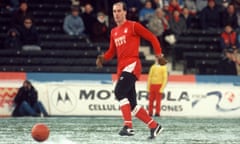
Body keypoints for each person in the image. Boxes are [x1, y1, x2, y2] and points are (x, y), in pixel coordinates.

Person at [96, 1, 167, 139]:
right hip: (122, 68)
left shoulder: (133, 26)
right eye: (114, 11)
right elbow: (112, 52)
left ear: (125, 12)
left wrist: (159, 55)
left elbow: (152, 37)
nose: (116, 14)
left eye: (119, 11)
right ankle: (154, 126)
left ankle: (128, 126)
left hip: (133, 65)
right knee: (133, 105)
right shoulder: (114, 32)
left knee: (119, 92)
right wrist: (103, 58)